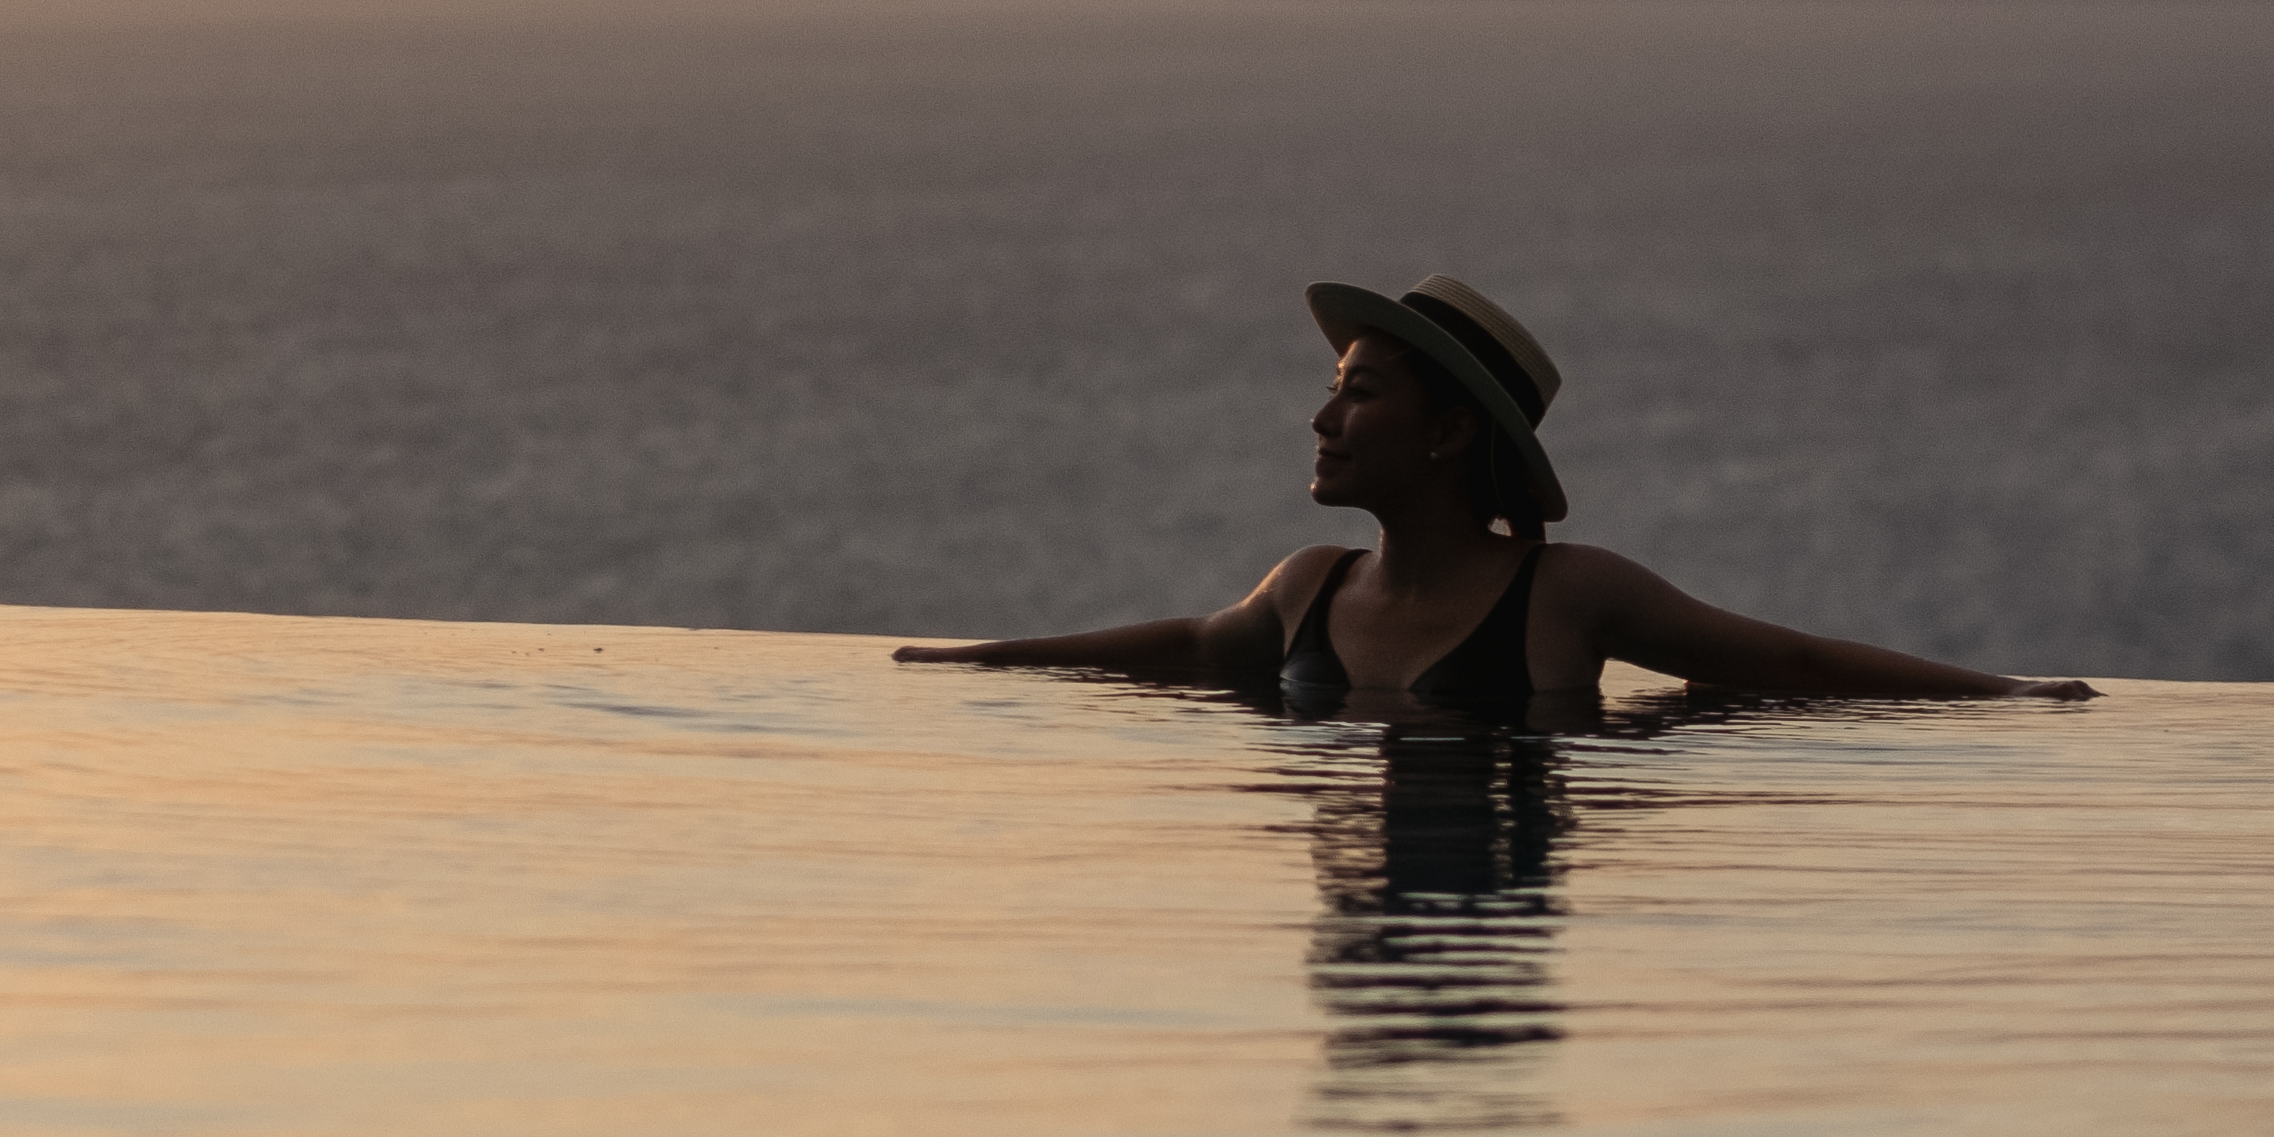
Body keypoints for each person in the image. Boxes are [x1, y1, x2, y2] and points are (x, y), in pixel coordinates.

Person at [893, 274, 2096, 707]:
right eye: (1332, 388)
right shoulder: (1306, 587)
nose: (1323, 419)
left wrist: (2006, 693)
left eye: (1360, 393)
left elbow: (1790, 662)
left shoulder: (1565, 596)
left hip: (1492, 951)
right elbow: (1182, 648)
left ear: (1448, 432)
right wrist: (976, 662)